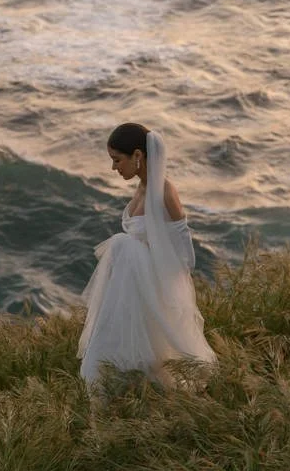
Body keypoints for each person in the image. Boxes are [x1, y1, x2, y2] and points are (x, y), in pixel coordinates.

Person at [79, 123, 216, 389]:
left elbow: (186, 255)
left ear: (138, 156)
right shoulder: (141, 187)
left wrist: (148, 265)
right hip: (127, 283)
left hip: (147, 282)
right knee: (111, 344)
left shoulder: (165, 192)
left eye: (117, 160)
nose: (113, 168)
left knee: (156, 357)